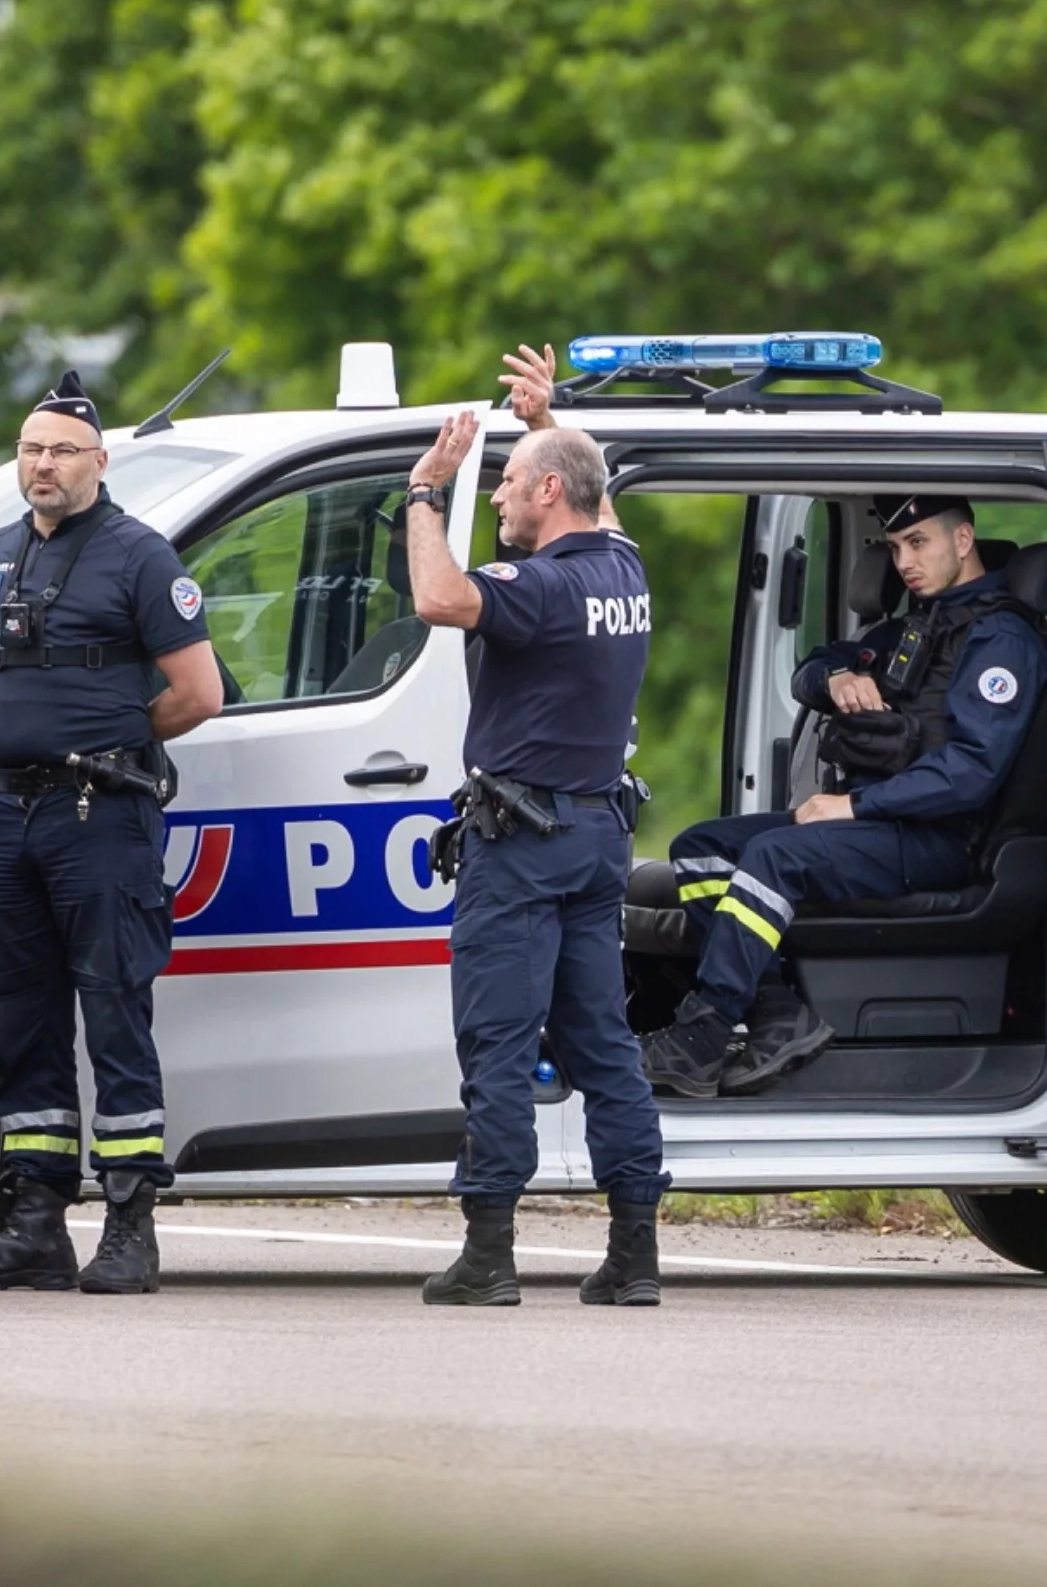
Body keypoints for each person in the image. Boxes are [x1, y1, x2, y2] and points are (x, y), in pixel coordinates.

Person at [0, 370, 223, 1297]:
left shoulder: (141, 557)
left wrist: (108, 743)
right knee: (22, 1021)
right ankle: (35, 1223)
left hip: (101, 815)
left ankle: (130, 1226)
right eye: (29, 449)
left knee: (114, 1016)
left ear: (99, 461)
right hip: (11, 816)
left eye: (60, 450)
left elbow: (198, 693)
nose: (42, 464)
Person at [404, 378, 668, 1308]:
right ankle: (634, 1255)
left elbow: (437, 596)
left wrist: (422, 493)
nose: (499, 497)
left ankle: (489, 1253)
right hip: (594, 833)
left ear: (548, 494)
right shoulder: (620, 572)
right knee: (601, 1045)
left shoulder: (542, 586)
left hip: (520, 844)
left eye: (509, 482)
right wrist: (545, 424)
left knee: (498, 1045)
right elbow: (600, 497)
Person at [643, 494, 1047, 1100]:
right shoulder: (913, 625)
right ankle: (778, 1014)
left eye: (919, 544)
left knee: (775, 856)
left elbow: (970, 774)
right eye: (894, 548)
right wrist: (838, 679)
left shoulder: (1001, 639)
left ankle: (705, 1031)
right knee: (700, 847)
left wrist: (853, 806)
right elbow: (808, 669)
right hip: (882, 828)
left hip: (940, 840)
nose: (903, 561)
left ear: (963, 541)